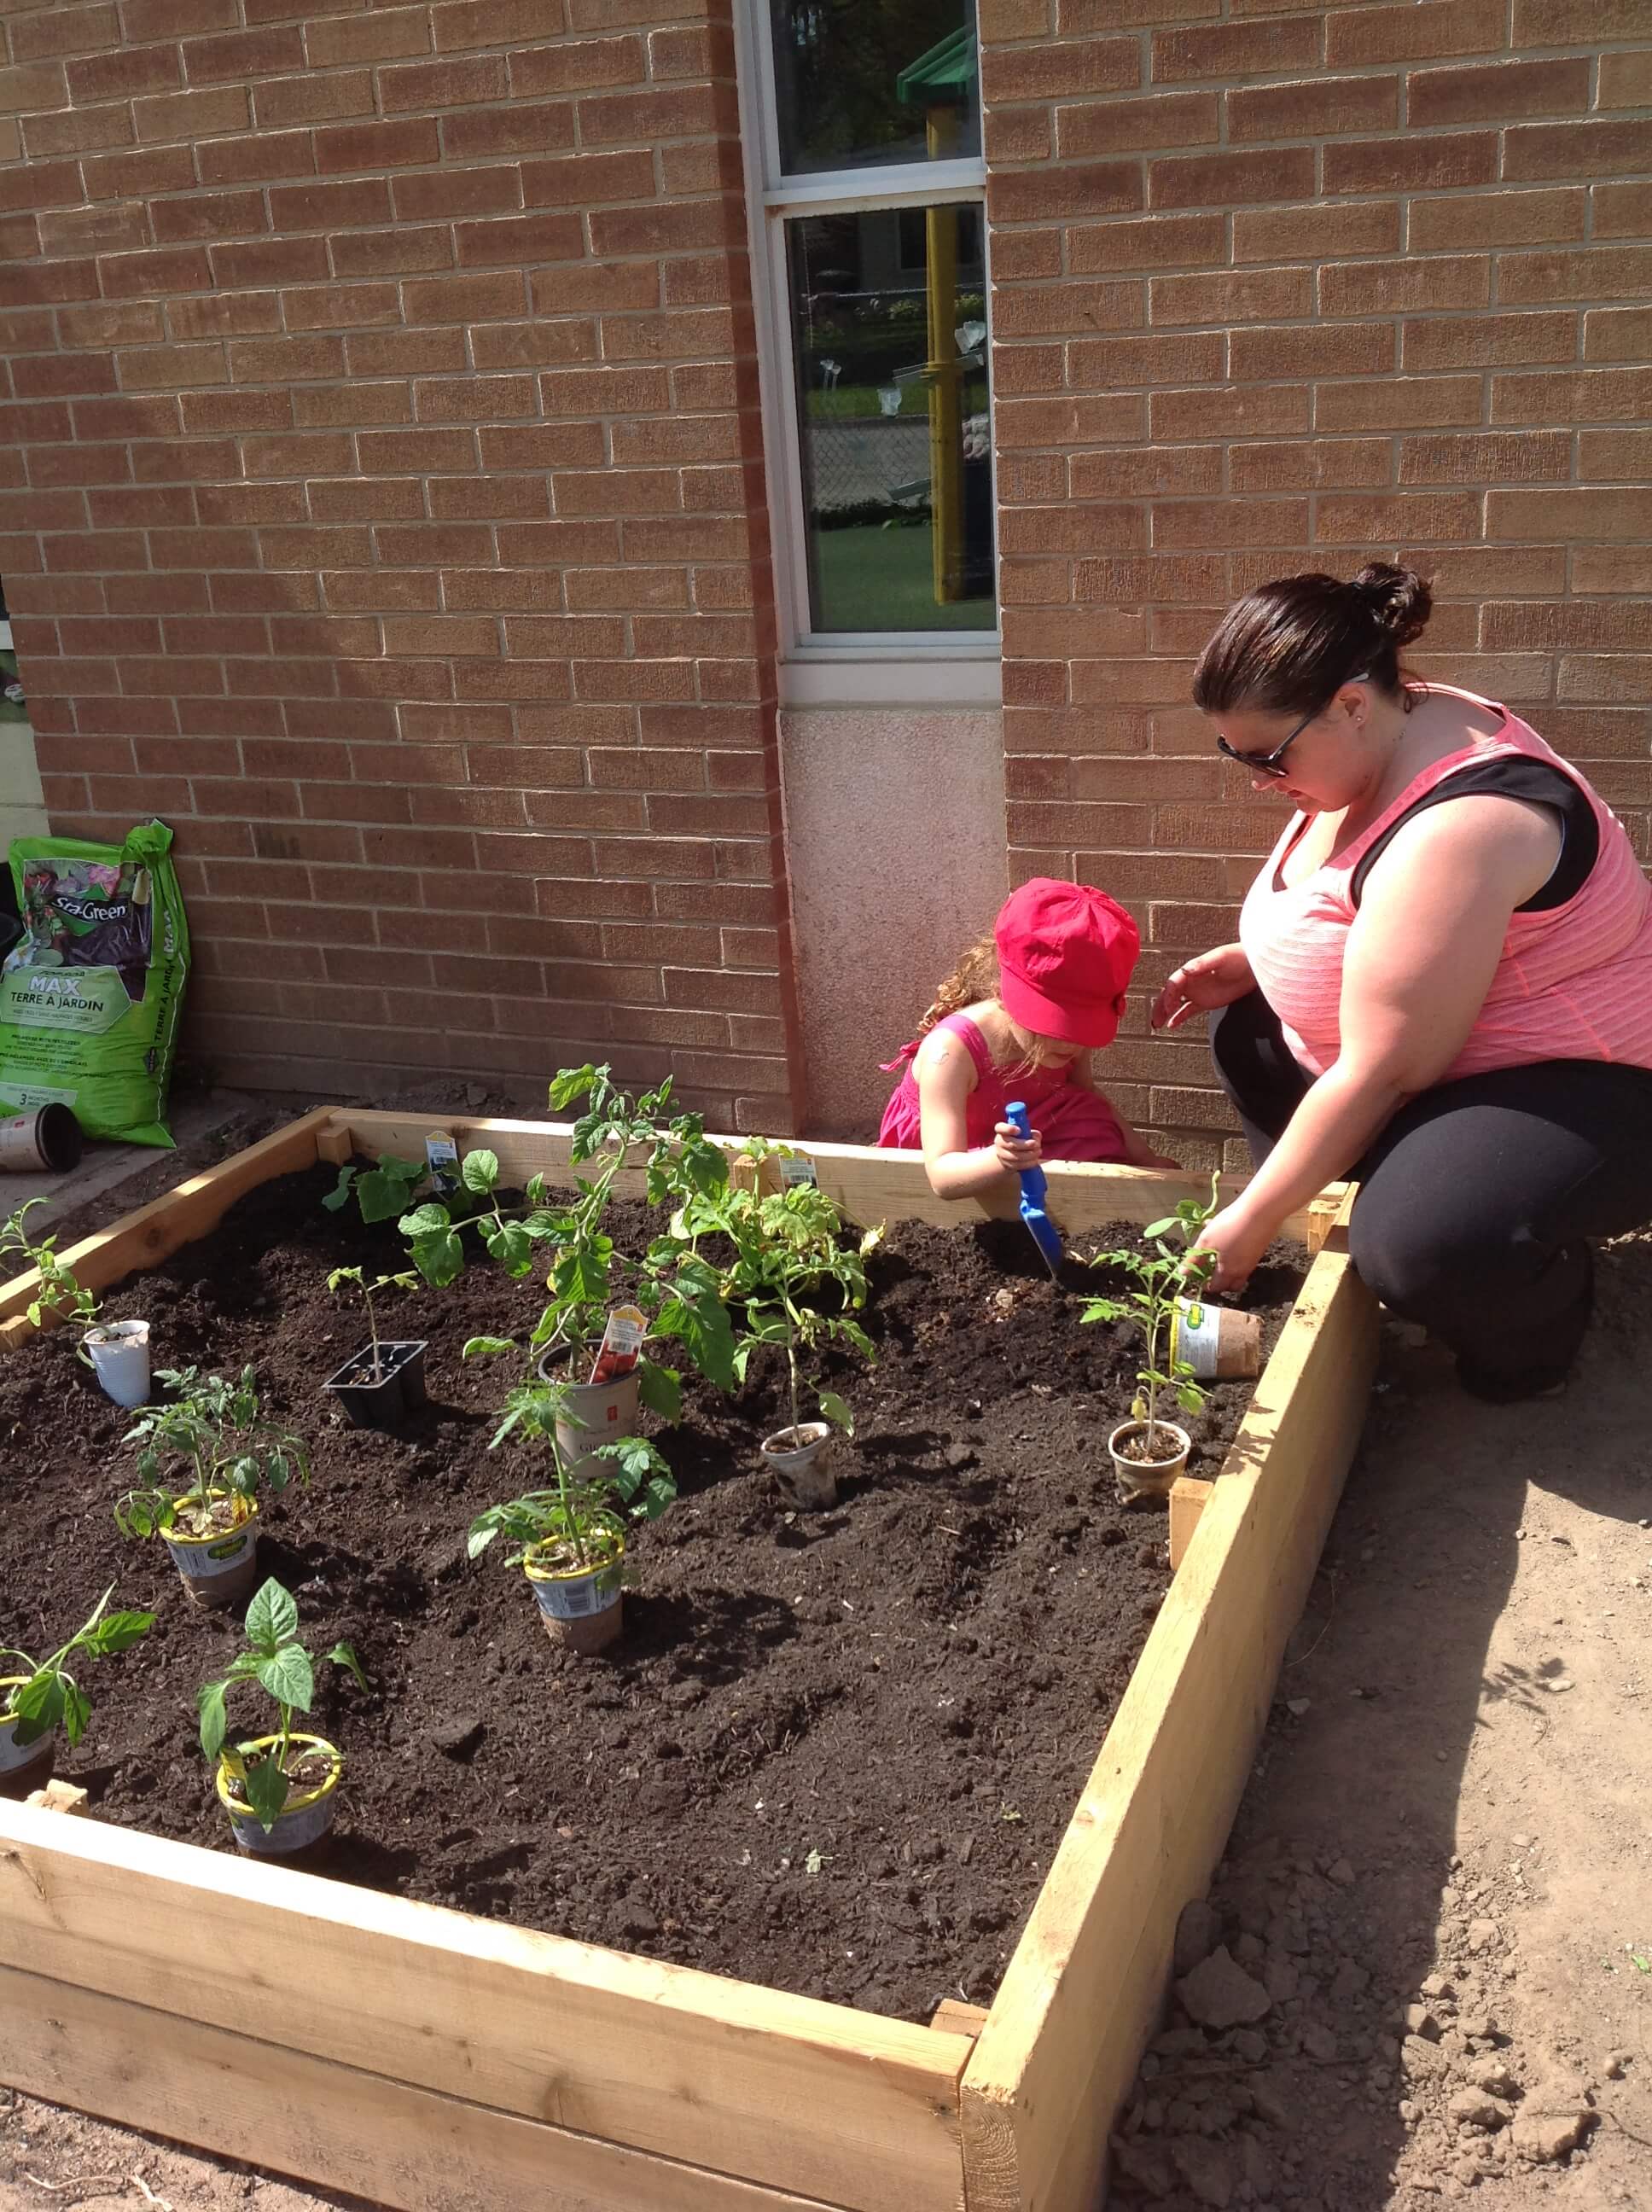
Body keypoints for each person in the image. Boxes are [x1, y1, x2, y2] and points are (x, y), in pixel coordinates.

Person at [1153, 562, 1652, 1401]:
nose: (1256, 780)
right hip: (1452, 1053)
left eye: (1267, 756)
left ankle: (1532, 1330)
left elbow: (1386, 1068)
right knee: (1249, 1029)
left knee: (1426, 1249)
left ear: (1350, 702)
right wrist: (1257, 962)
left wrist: (1248, 1219)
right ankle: (1346, 1243)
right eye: (1233, 753)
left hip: (1589, 1083)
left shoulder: (1465, 825)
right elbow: (1377, 911)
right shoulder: (1385, 721)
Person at [881, 876, 1178, 1200]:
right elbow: (941, 1176)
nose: (1069, 1043)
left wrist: (1145, 1159)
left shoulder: (1067, 1040)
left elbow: (1086, 1093)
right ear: (1004, 992)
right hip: (960, 1153)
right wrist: (999, 1158)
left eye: (1080, 1027)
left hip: (1030, 1136)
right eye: (1054, 1024)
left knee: (1093, 1126)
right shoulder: (951, 1051)